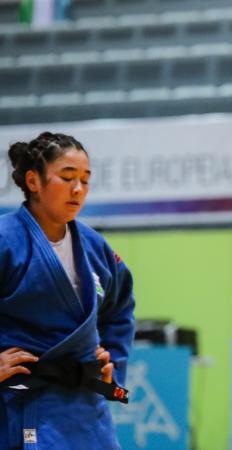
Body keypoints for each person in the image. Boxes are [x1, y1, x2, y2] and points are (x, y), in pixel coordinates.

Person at [0, 132, 135, 450]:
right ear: (34, 181)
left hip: (86, 408)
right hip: (24, 403)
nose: (78, 189)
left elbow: (120, 308)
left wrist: (111, 366)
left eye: (85, 180)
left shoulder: (94, 246)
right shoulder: (5, 240)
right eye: (67, 177)